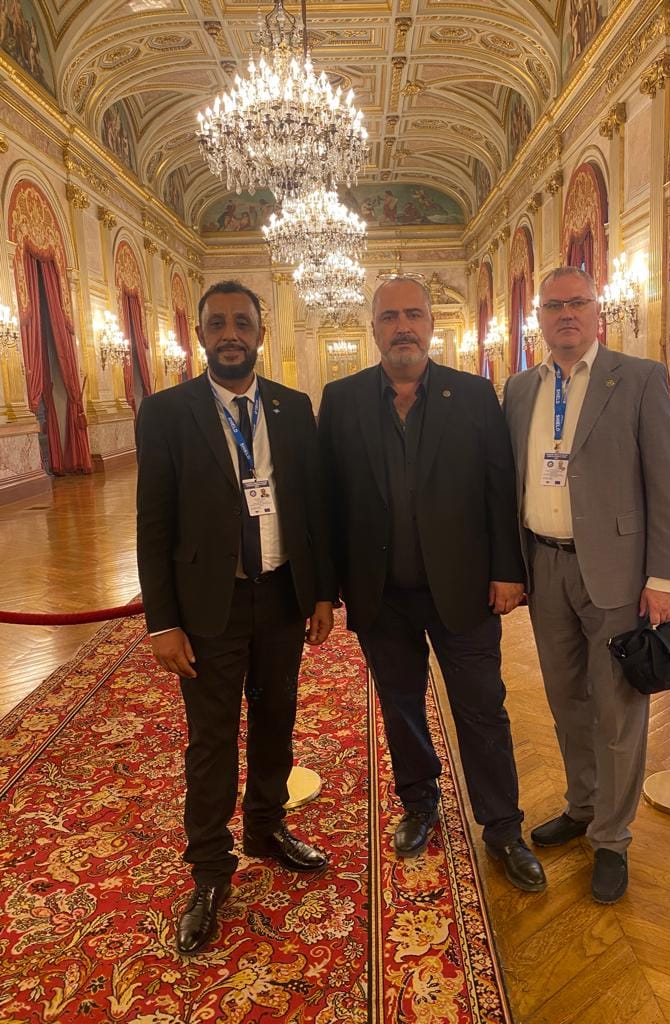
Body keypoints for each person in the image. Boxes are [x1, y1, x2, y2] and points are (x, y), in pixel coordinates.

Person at [318, 275, 546, 893]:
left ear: (431, 324)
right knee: (400, 705)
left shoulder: (472, 394)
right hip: (380, 593)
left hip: (465, 590)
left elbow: (498, 486)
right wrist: (327, 588)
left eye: (413, 315)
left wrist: (508, 570)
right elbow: (327, 500)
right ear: (373, 328)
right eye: (390, 317)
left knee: (482, 709)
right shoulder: (341, 400)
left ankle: (503, 828)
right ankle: (420, 803)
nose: (403, 327)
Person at [136, 280, 334, 956]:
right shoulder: (167, 412)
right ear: (200, 336)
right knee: (212, 739)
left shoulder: (292, 407)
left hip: (281, 597)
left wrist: (320, 593)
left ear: (260, 334)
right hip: (208, 606)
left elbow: (311, 507)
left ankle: (266, 826)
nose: (230, 334)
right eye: (217, 323)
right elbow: (153, 523)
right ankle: (210, 872)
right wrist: (162, 621)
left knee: (277, 717)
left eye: (241, 323)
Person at [502, 266, 670, 904]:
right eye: (553, 305)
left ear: (596, 309)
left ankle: (612, 837)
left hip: (616, 573)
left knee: (617, 708)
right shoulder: (520, 388)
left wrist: (663, 577)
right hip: (544, 566)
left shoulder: (637, 378)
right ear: (538, 318)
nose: (566, 314)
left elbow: (667, 485)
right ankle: (583, 805)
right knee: (565, 699)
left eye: (577, 302)